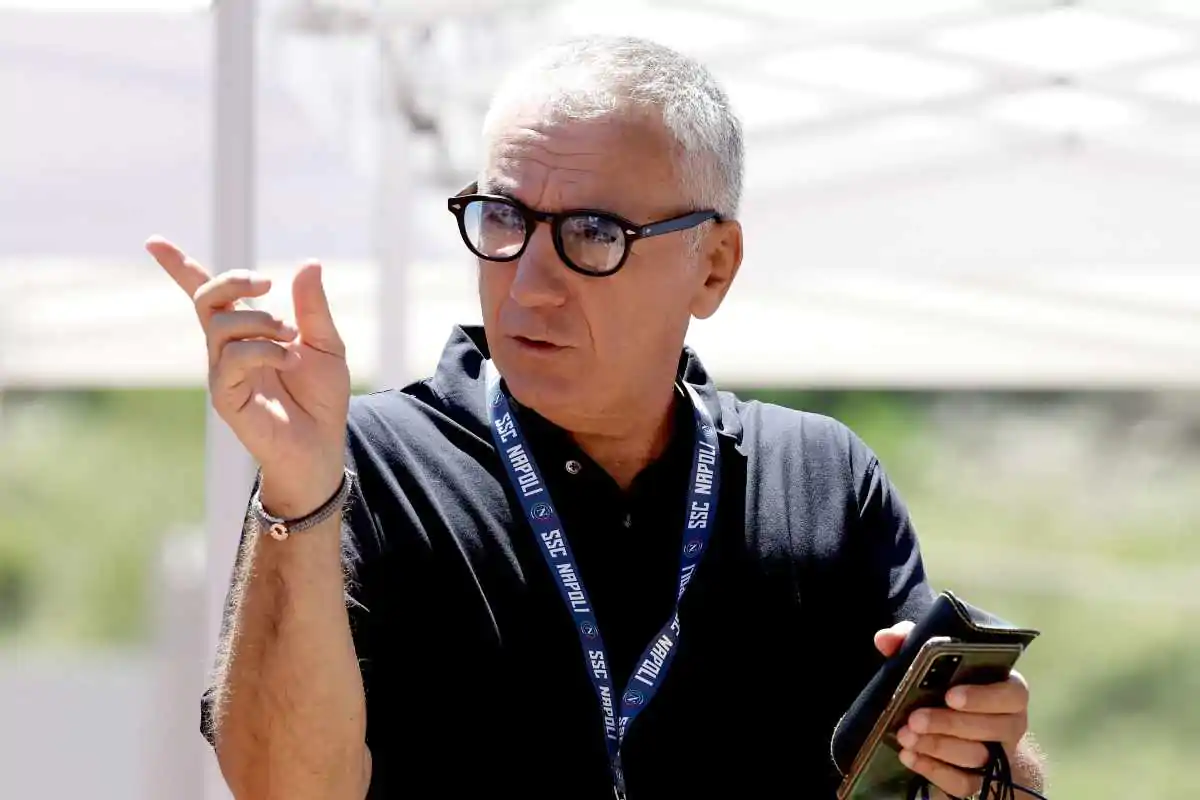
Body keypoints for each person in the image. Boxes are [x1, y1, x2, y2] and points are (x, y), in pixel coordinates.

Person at [148, 35, 1046, 800]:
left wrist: (989, 763)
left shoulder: (818, 479)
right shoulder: (364, 461)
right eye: (503, 218)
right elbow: (282, 789)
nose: (529, 283)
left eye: (592, 234)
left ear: (713, 266)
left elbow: (951, 781)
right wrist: (300, 492)